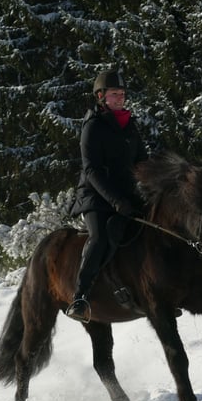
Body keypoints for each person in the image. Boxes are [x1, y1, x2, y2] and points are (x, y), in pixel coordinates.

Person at [66, 69, 149, 323]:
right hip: (95, 197)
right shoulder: (93, 126)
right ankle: (80, 296)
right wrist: (115, 201)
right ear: (101, 96)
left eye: (122, 94)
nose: (120, 98)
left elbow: (142, 162)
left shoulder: (129, 125)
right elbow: (91, 169)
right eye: (115, 94)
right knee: (101, 236)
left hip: (125, 196)